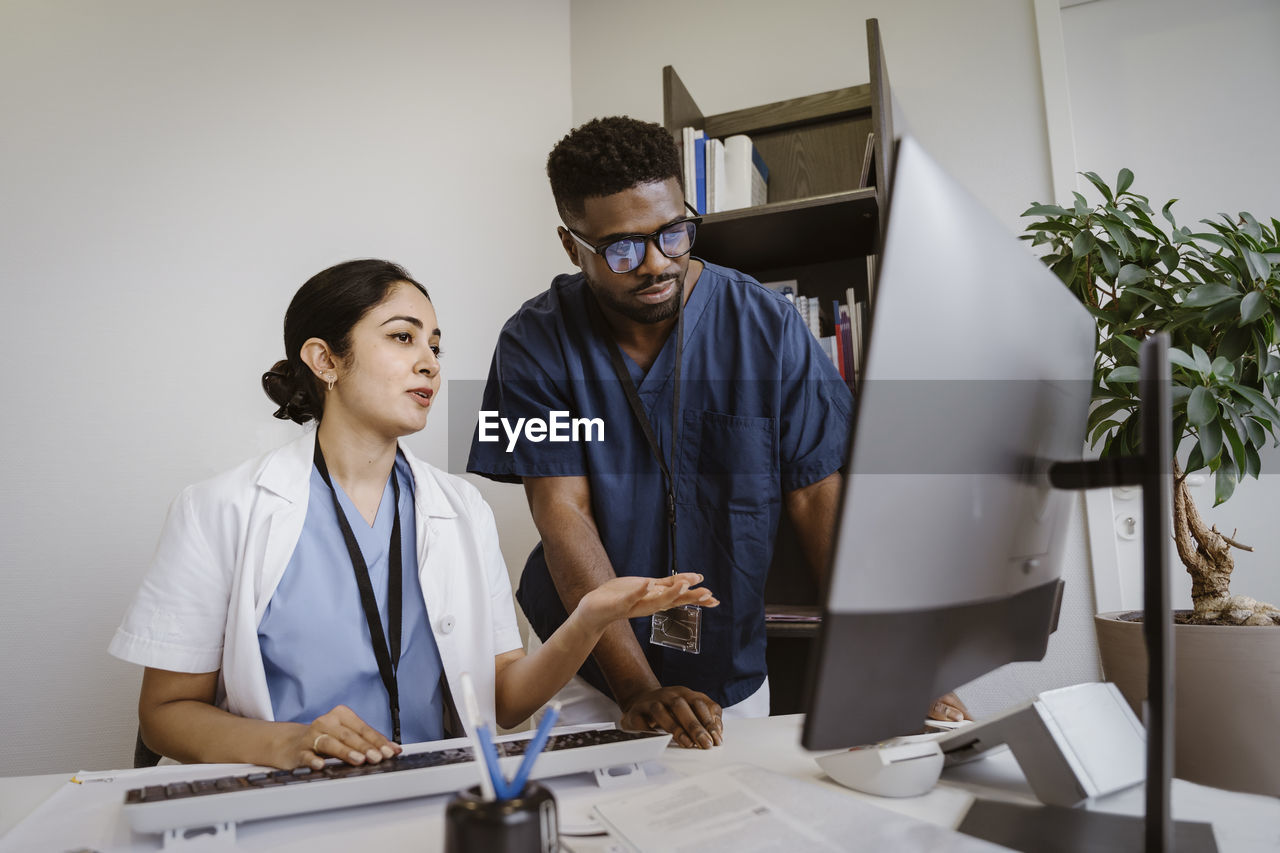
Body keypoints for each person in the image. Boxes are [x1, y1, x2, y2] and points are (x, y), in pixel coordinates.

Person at [109, 258, 715, 771]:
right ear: (325, 360)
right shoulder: (221, 509)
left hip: (433, 799)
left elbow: (502, 701)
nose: (429, 362)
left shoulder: (461, 508)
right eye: (403, 337)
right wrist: (286, 743)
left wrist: (588, 617)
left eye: (435, 345)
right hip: (287, 805)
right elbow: (163, 716)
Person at [467, 116, 871, 750]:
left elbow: (816, 495)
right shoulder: (535, 342)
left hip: (728, 669)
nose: (657, 264)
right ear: (573, 246)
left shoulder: (767, 327)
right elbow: (561, 511)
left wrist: (887, 654)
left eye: (674, 233)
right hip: (588, 672)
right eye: (623, 248)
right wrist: (635, 690)